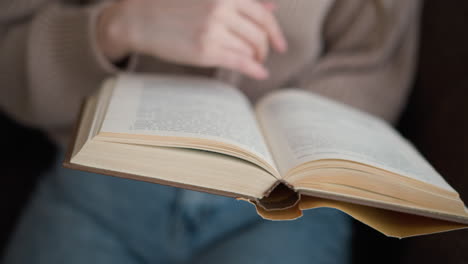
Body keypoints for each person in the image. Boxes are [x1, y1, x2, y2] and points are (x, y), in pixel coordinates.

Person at [0, 0, 421, 263]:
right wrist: (118, 25)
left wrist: (298, 142)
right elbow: (9, 57)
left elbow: (371, 68)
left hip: (285, 206)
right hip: (101, 184)